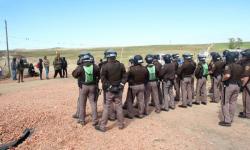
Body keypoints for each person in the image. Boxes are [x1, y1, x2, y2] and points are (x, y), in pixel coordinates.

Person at [95, 49, 127, 132]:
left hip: (110, 90)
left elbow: (103, 79)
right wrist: (121, 85)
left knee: (107, 107)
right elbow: (124, 77)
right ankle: (121, 124)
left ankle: (102, 126)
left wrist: (110, 87)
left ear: (107, 56)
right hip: (119, 90)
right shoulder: (121, 65)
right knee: (119, 106)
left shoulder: (105, 66)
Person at [72, 53, 100, 126]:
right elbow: (99, 75)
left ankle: (82, 120)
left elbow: (74, 75)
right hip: (93, 86)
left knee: (82, 103)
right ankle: (95, 120)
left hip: (83, 87)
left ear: (83, 59)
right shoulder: (95, 66)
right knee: (93, 103)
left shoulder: (81, 67)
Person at [219, 51, 243, 127]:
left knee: (224, 102)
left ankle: (227, 120)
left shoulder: (228, 66)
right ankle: (231, 118)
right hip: (237, 86)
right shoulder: (240, 66)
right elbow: (242, 77)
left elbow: (227, 75)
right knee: (233, 102)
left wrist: (222, 79)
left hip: (229, 86)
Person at [238, 49, 250, 119]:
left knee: (247, 98)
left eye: (244, 55)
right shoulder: (246, 62)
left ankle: (247, 114)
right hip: (247, 83)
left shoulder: (248, 65)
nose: (242, 57)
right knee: (245, 98)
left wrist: (242, 86)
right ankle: (245, 112)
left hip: (247, 83)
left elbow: (246, 77)